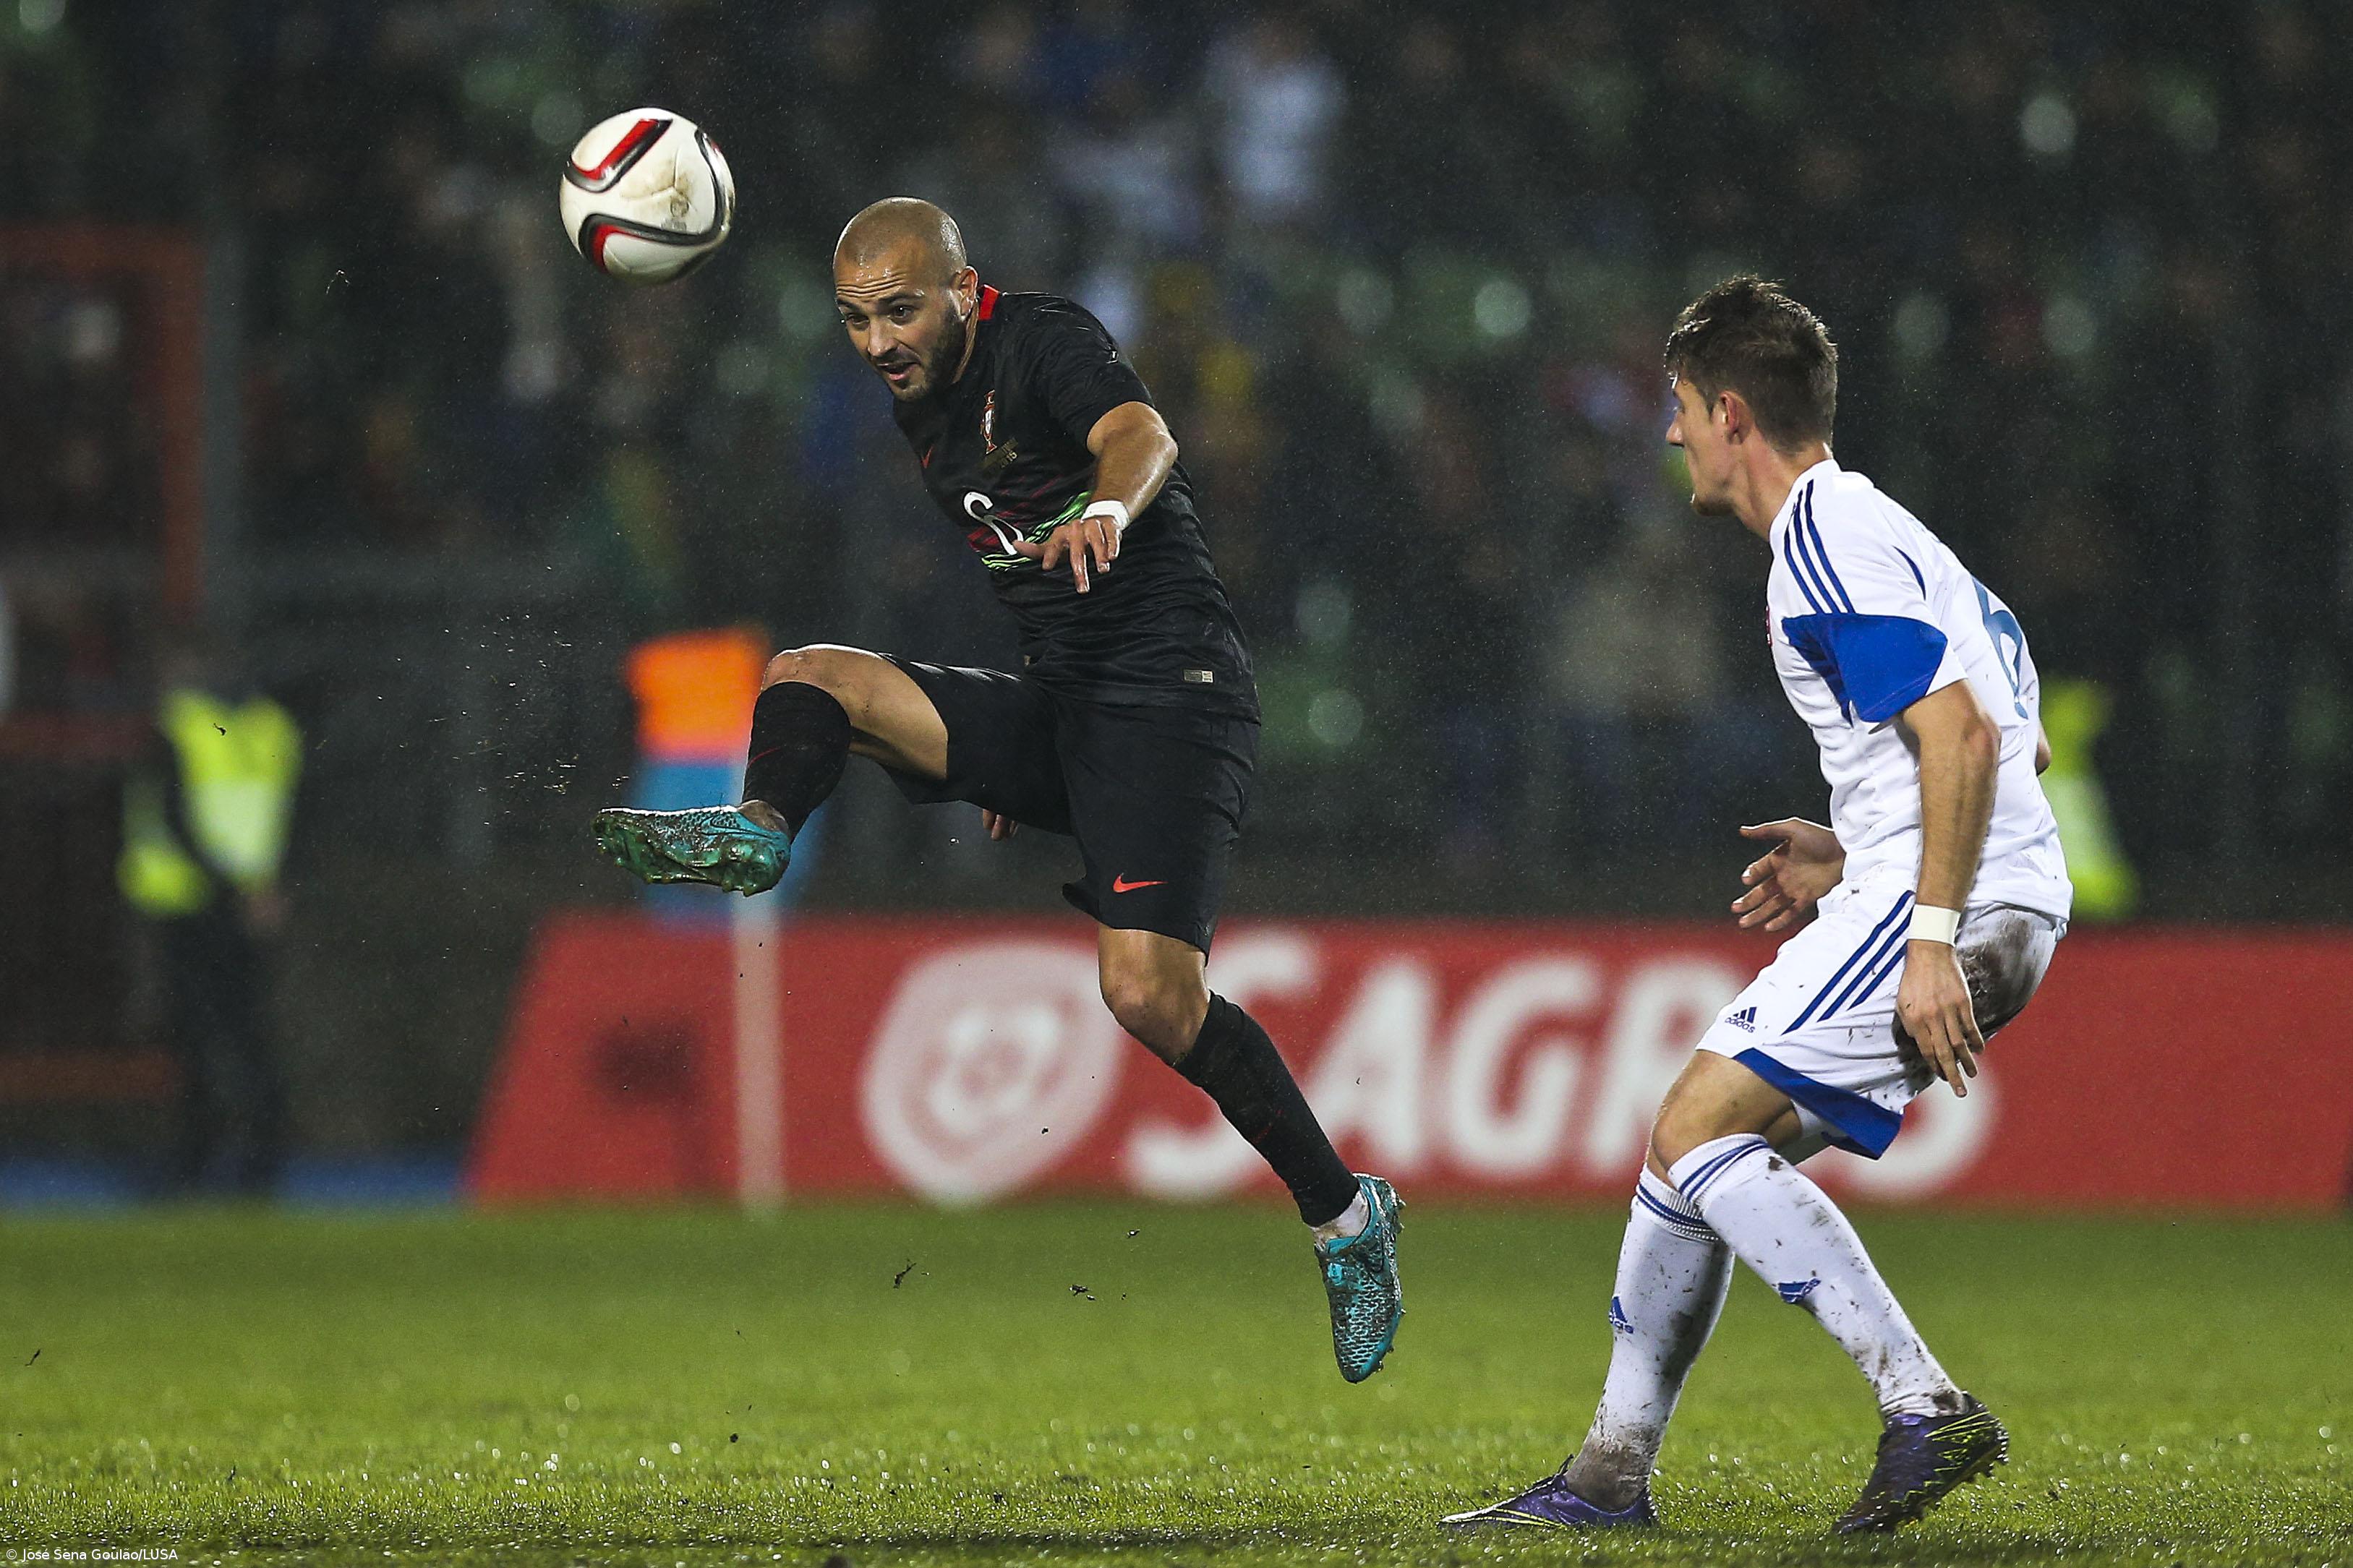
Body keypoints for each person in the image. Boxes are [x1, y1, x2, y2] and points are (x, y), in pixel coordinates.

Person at [590, 198, 1404, 1381]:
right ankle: (759, 829)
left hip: (1172, 702)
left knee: (1146, 994)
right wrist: (1005, 753)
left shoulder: (1041, 340)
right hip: (1061, 706)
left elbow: (1139, 435)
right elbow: (1027, 581)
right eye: (855, 318)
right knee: (809, 675)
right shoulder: (918, 397)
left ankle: (1345, 1214)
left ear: (963, 291)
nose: (877, 341)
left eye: (898, 310)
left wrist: (1106, 506)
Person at [1448, 278, 2072, 1534]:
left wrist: (1927, 934)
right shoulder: (1877, 528)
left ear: (1729, 413)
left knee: (1694, 1127)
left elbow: (1961, 737)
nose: (1669, 432)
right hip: (1967, 887)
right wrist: (1854, 852)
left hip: (1948, 904)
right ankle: (1605, 1477)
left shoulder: (1821, 540)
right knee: (1685, 1155)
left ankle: (1921, 1402)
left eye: (1680, 406)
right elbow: (2019, 740)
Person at [117, 632, 302, 1196]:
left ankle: (197, 1161)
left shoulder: (181, 727)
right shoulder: (273, 726)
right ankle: (260, 1162)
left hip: (192, 904)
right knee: (247, 1033)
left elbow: (176, 818)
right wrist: (272, 887)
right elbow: (297, 813)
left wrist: (233, 888)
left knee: (200, 1037)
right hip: (253, 906)